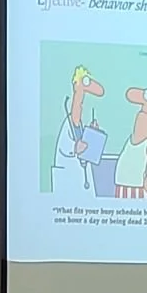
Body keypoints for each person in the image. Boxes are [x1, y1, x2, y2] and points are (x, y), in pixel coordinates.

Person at [50, 65, 104, 199]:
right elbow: (65, 146)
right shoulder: (67, 125)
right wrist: (75, 147)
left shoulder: (79, 125)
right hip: (68, 178)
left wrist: (92, 133)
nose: (80, 106)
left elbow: (84, 145)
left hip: (82, 180)